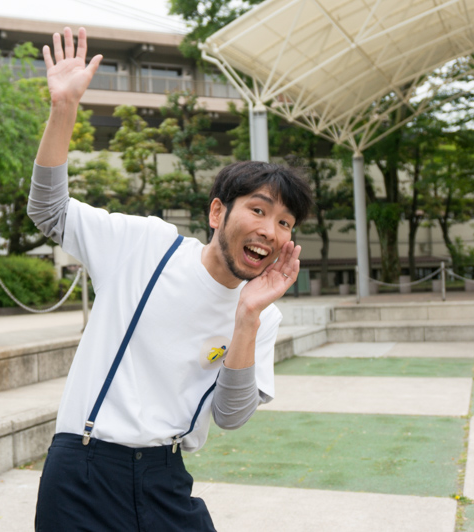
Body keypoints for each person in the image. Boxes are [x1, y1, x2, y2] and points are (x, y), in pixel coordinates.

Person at [27, 27, 313, 532]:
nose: (270, 231)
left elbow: (231, 416)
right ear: (217, 212)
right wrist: (64, 107)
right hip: (85, 469)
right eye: (259, 210)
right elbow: (50, 212)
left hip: (165, 476)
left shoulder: (262, 315)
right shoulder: (145, 244)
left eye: (285, 222)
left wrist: (247, 316)